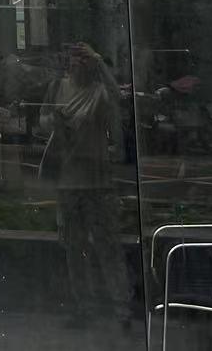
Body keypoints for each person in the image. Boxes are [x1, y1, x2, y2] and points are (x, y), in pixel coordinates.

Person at [49, 42, 133, 328]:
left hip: (97, 180)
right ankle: (83, 306)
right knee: (75, 248)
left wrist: (99, 62)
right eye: (75, 58)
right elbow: (45, 117)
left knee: (107, 245)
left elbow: (117, 98)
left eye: (83, 59)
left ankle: (121, 307)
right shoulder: (60, 87)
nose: (78, 64)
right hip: (69, 180)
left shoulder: (99, 92)